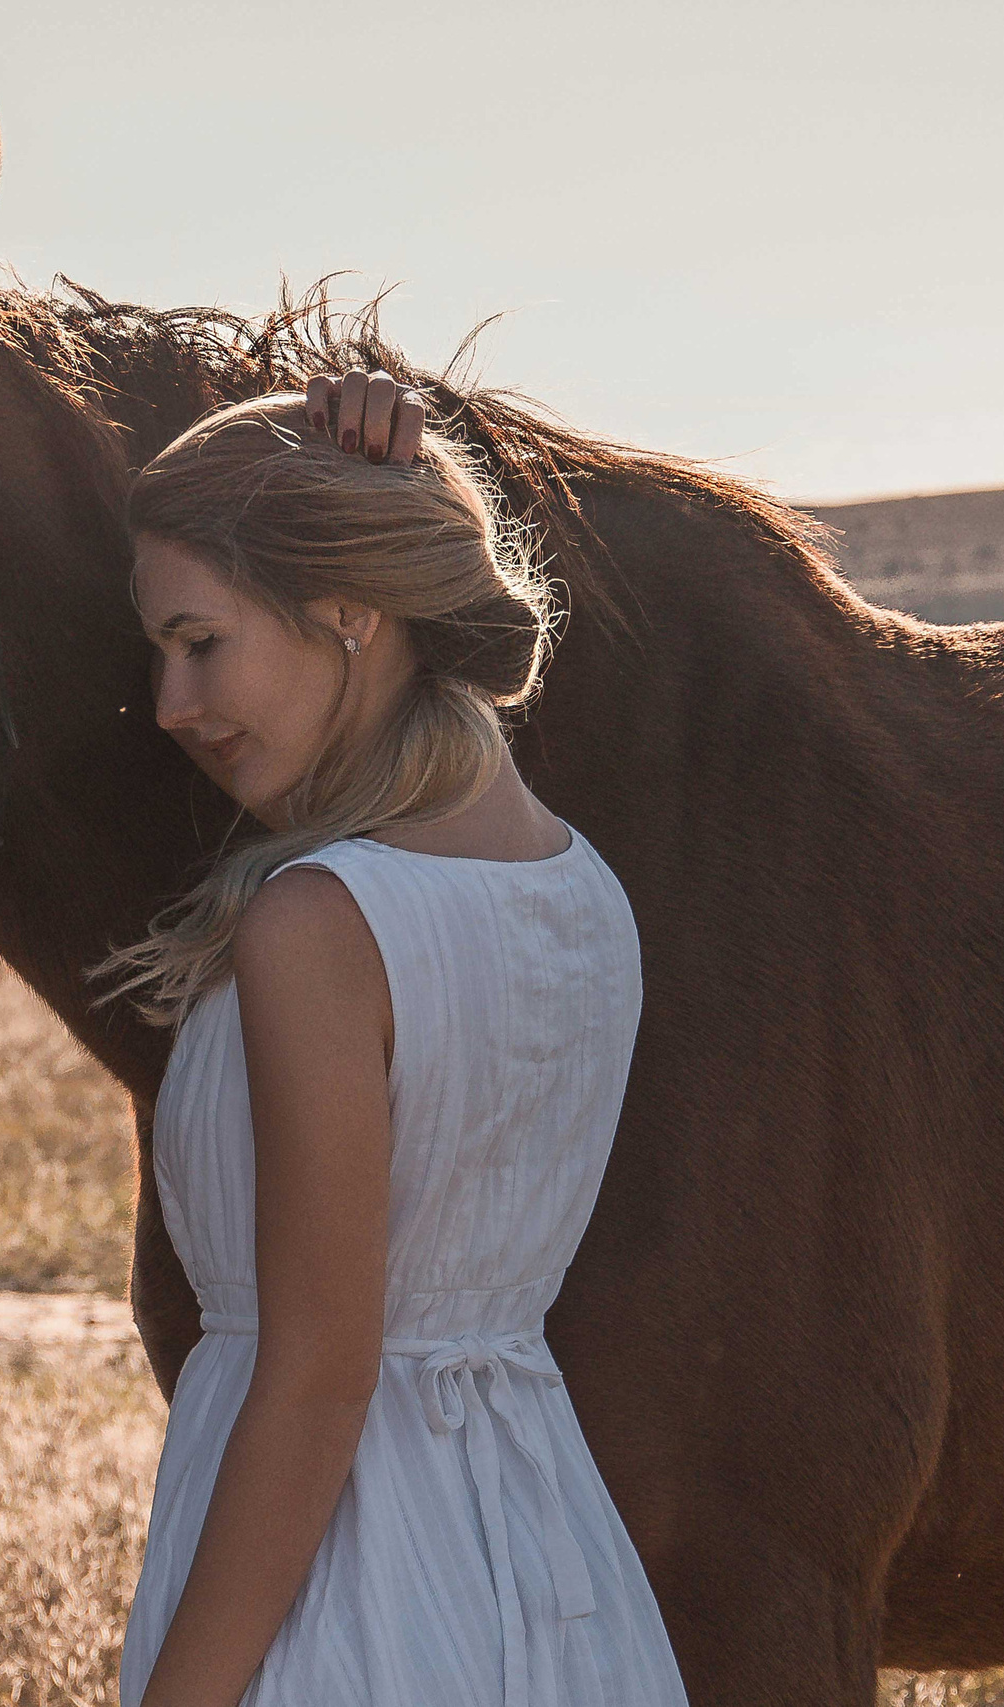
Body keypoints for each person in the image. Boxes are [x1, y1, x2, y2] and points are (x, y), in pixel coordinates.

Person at [99, 370, 689, 1707]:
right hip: (549, 1573)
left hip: (344, 1608)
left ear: (350, 611)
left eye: (199, 641)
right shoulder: (584, 890)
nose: (172, 702)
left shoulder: (315, 924)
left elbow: (317, 1380)